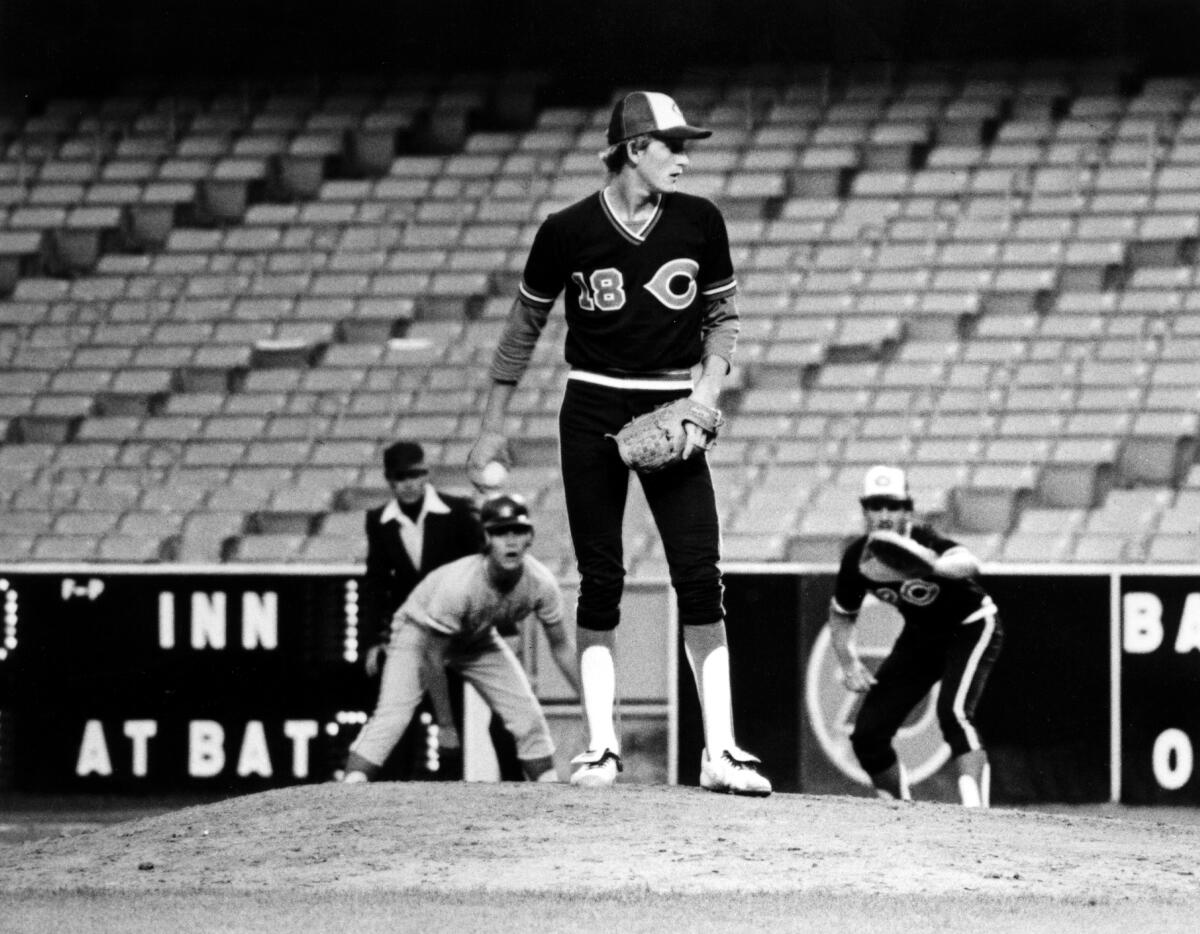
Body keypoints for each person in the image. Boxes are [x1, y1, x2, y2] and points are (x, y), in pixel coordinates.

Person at [467, 90, 771, 796]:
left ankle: (720, 750)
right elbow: (524, 328)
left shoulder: (700, 221)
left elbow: (722, 317)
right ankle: (601, 747)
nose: (685, 158)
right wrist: (492, 423)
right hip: (592, 401)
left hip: (673, 401)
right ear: (635, 149)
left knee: (700, 574)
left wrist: (706, 394)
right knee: (601, 577)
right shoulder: (566, 230)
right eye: (673, 145)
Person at [340, 493, 581, 783]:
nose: (511, 540)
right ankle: (350, 786)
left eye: (518, 531)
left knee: (528, 717)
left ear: (530, 537)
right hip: (418, 634)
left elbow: (562, 647)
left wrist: (592, 704)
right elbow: (433, 656)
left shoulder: (541, 584)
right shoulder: (461, 585)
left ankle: (548, 794)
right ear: (485, 540)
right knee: (393, 717)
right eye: (500, 532)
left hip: (475, 637)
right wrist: (446, 725)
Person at [827, 465, 1004, 807]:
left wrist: (932, 565)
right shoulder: (858, 558)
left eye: (892, 506)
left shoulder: (921, 539)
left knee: (953, 713)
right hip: (921, 636)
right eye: (875, 506)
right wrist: (848, 661)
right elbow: (841, 613)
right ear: (865, 510)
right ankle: (901, 812)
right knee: (867, 734)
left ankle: (978, 817)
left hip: (971, 624)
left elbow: (968, 562)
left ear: (907, 509)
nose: (883, 514)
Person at [358, 440, 486, 774]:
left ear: (427, 474)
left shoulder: (458, 512)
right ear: (390, 480)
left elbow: (478, 573)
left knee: (452, 717)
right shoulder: (378, 521)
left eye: (416, 475)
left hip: (454, 633)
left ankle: (452, 790)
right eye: (402, 478)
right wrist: (373, 640)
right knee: (400, 716)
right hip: (411, 633)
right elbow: (376, 585)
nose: (410, 484)